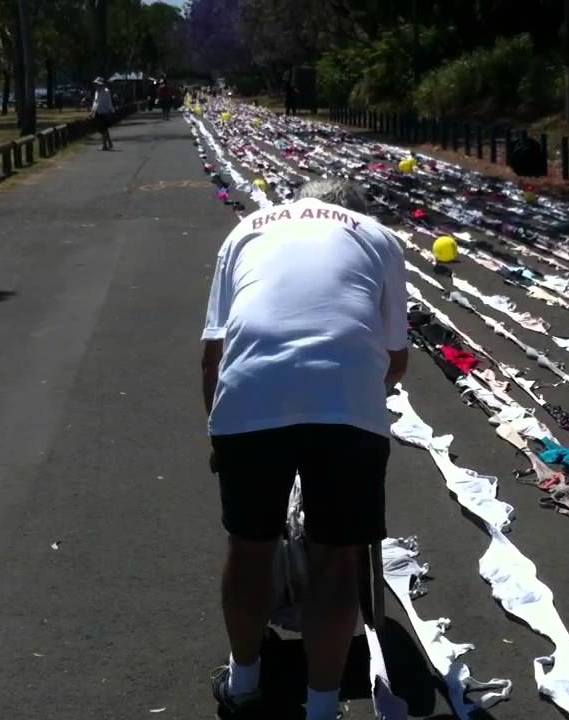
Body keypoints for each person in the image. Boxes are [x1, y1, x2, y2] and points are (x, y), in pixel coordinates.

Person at [200, 179, 407, 720]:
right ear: (351, 209)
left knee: (249, 547)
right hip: (345, 400)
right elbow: (396, 358)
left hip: (249, 394)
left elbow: (213, 353)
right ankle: (321, 707)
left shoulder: (243, 230)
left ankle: (243, 684)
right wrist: (347, 399)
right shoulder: (378, 236)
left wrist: (218, 437)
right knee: (335, 559)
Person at [91, 77, 114, 150]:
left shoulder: (106, 91)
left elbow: (109, 101)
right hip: (98, 111)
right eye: (96, 84)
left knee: (104, 128)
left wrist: (111, 110)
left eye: (98, 84)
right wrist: (92, 111)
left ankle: (105, 145)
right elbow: (95, 102)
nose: (96, 86)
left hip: (105, 112)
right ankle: (109, 141)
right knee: (102, 129)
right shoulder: (96, 92)